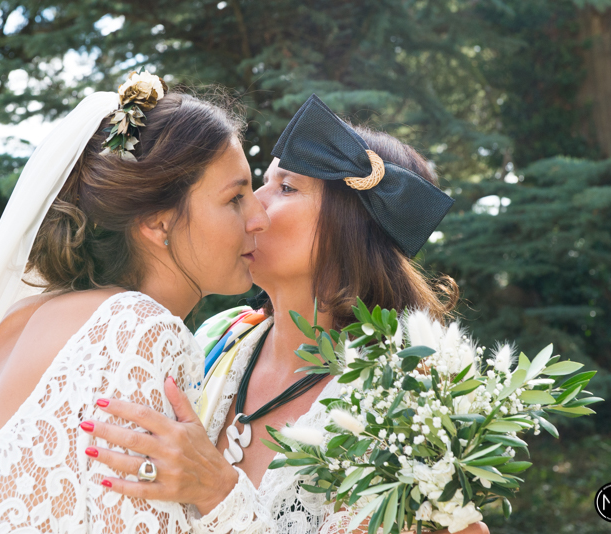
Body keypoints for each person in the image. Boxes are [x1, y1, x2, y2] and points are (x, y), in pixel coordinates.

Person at [82, 95, 490, 534]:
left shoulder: (407, 405)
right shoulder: (219, 337)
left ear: (350, 225)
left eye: (286, 188)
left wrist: (219, 492)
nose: (253, 208)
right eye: (260, 185)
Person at [0, 74, 270, 534]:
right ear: (157, 222)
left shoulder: (15, 322)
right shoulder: (135, 330)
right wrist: (225, 495)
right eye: (235, 198)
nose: (260, 217)